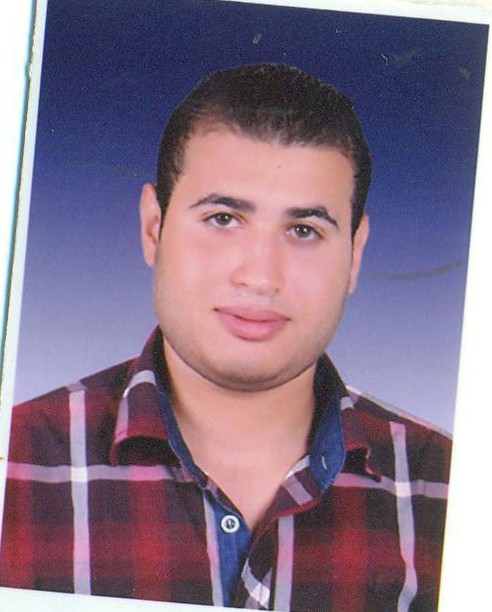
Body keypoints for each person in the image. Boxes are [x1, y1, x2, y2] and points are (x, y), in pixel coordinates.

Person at [0, 64, 450, 611]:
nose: (260, 276)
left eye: (304, 230)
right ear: (153, 228)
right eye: (222, 219)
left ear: (354, 255)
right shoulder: (16, 461)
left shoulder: (449, 487)